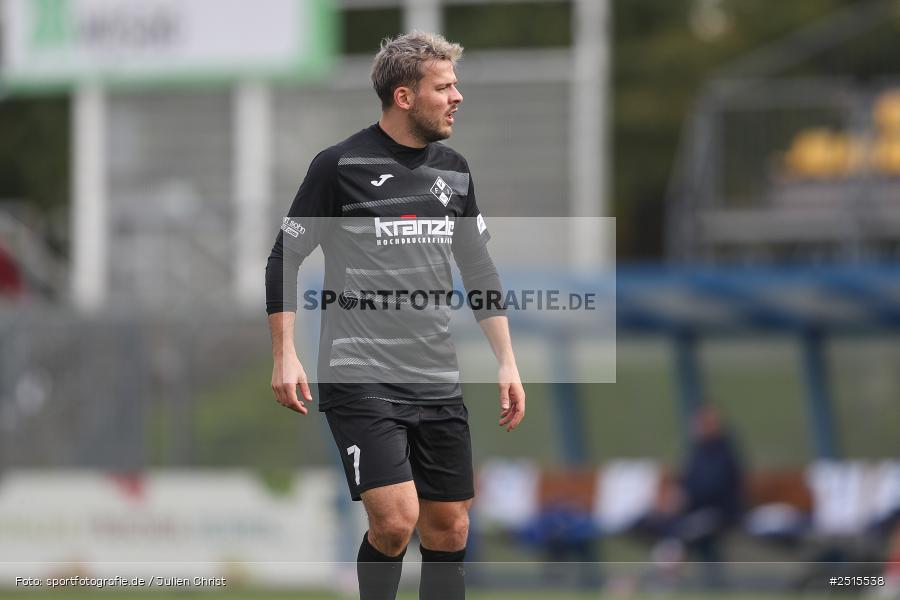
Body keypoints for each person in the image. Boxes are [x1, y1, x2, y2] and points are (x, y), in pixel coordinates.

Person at [265, 32, 525, 600]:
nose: (457, 97)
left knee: (450, 525)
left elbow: (478, 269)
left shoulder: (455, 171)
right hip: (359, 375)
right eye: (444, 87)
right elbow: (286, 255)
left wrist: (507, 361)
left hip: (435, 376)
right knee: (396, 520)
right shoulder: (339, 166)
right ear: (404, 97)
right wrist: (285, 352)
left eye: (455, 85)